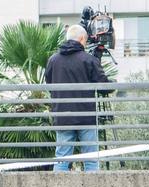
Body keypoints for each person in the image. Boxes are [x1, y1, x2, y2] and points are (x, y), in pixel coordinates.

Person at [43, 24, 111, 173]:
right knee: (91, 160)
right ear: (81, 39)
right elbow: (104, 87)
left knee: (62, 158)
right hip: (86, 117)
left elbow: (49, 84)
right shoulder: (89, 60)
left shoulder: (53, 60)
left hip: (62, 116)